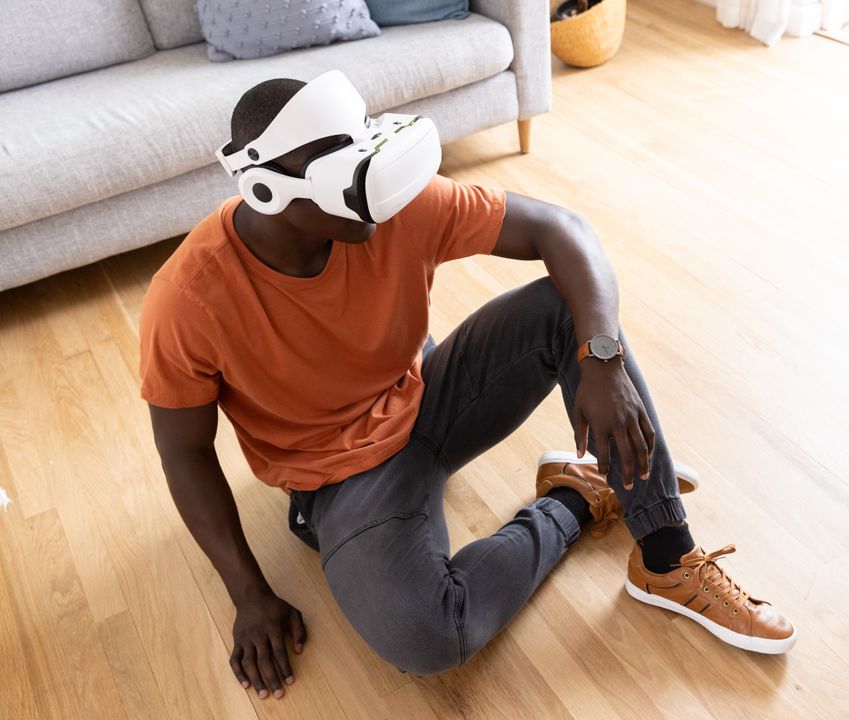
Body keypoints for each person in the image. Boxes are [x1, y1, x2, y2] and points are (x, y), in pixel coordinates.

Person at [139, 76, 796, 701]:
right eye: (346, 180)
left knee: (569, 312)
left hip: (424, 392)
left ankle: (666, 557)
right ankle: (575, 498)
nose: (376, 191)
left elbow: (561, 229)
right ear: (267, 193)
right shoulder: (190, 298)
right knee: (427, 637)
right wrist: (248, 594)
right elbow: (184, 453)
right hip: (337, 475)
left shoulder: (388, 202)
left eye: (365, 155)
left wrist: (604, 358)